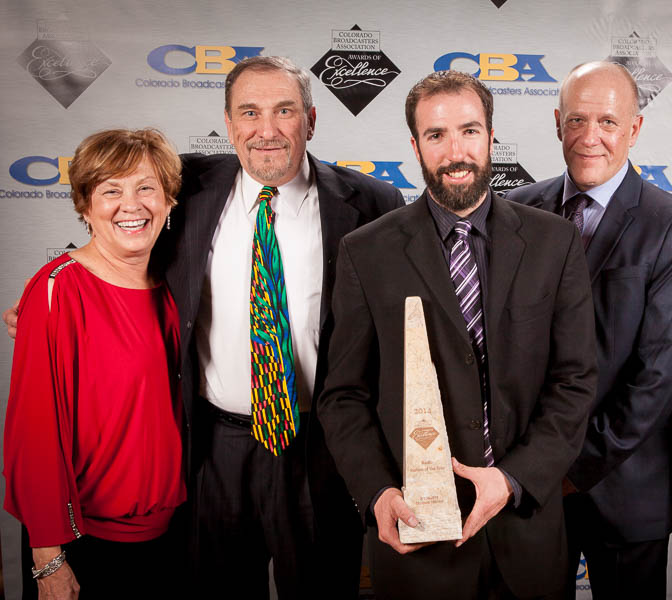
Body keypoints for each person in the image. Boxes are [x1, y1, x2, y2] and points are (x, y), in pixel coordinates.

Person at [4, 56, 404, 599]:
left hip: (319, 448)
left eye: (285, 111)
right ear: (229, 124)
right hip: (213, 450)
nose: (266, 129)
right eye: (250, 112)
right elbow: (118, 233)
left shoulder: (373, 203)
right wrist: (51, 302)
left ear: (311, 120)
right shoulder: (191, 185)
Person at [316, 70, 598, 600]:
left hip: (528, 535)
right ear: (415, 146)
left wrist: (513, 479)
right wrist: (377, 493)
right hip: (420, 539)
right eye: (436, 135)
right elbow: (343, 396)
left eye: (469, 131)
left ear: (491, 136)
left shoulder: (554, 242)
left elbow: (575, 380)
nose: (455, 152)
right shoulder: (367, 251)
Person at [505, 61, 672, 599]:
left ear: (634, 129)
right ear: (557, 123)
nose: (590, 137)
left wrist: (572, 466)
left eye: (609, 122)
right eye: (577, 120)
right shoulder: (516, 209)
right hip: (527, 483)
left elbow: (666, 370)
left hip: (625, 485)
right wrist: (534, 466)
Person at [4, 128, 185, 599]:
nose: (132, 205)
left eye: (146, 187)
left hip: (172, 535)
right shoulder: (58, 289)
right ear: (85, 206)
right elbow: (33, 433)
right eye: (111, 191)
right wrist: (48, 558)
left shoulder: (177, 289)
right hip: (83, 542)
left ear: (169, 201)